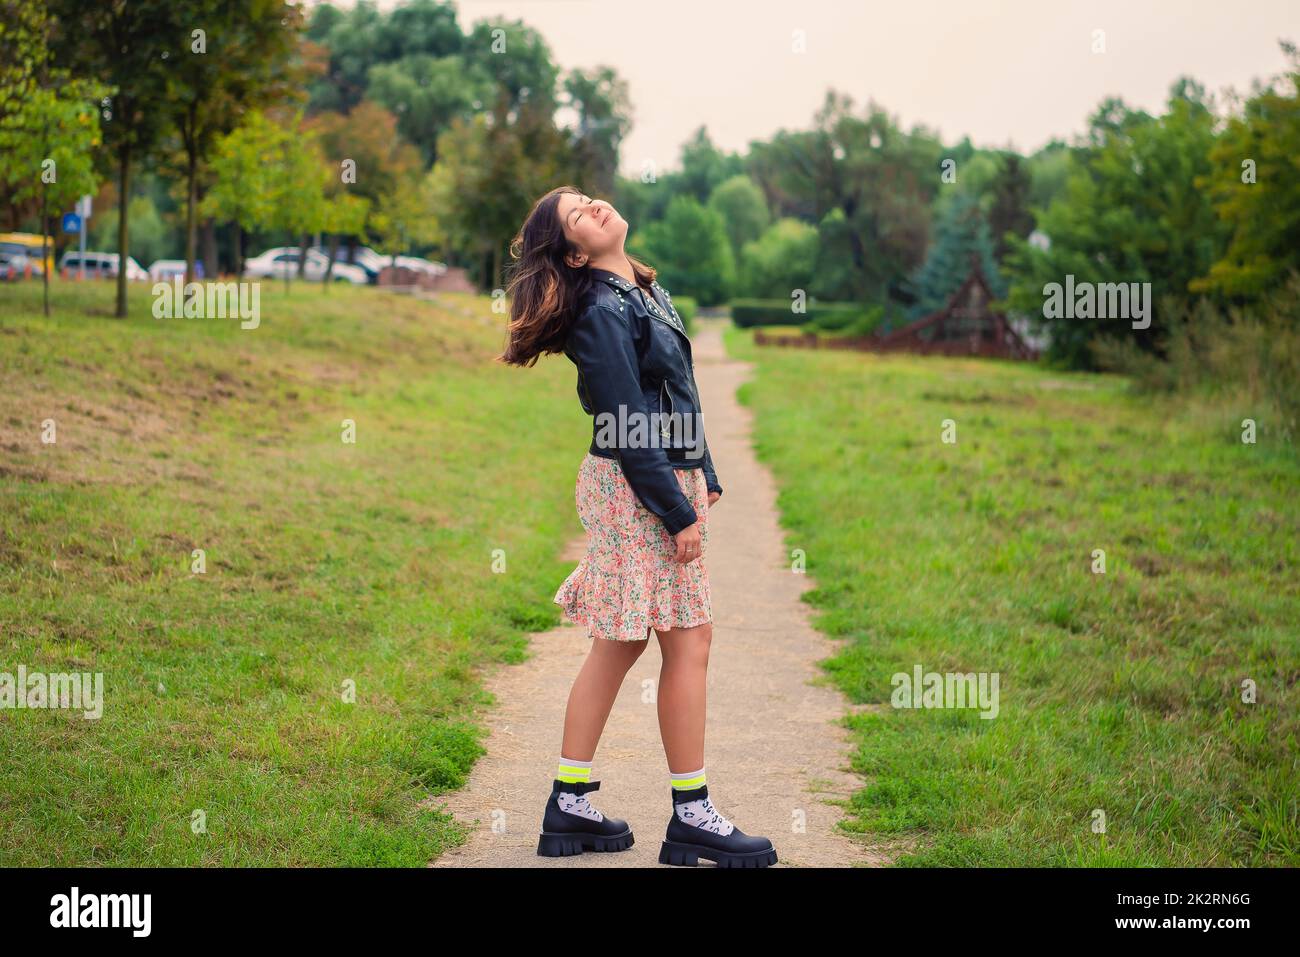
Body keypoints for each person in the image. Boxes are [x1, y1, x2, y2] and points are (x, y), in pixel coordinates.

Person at [497, 185, 777, 868]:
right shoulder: (599, 309)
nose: (593, 207)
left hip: (658, 479)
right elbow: (625, 424)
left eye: (589, 198)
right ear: (572, 249)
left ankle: (571, 800)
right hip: (635, 487)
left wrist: (702, 469)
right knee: (688, 640)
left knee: (621, 643)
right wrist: (675, 508)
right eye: (576, 215)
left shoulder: (642, 287)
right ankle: (693, 814)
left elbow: (679, 387)